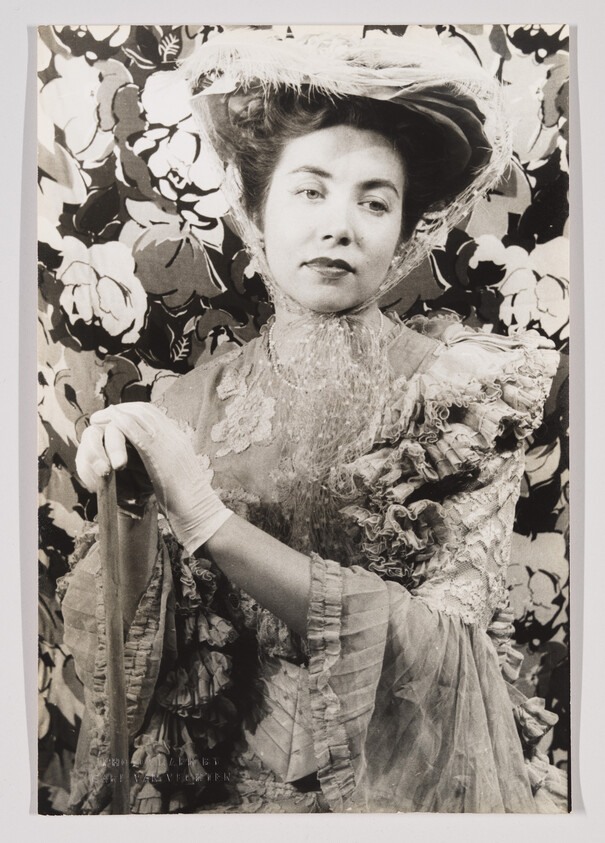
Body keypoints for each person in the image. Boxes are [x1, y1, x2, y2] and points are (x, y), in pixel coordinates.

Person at [59, 31, 567, 814]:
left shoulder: (464, 394)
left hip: (397, 791)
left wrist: (208, 520)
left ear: (403, 231)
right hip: (222, 798)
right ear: (256, 210)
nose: (340, 226)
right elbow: (128, 661)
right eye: (309, 191)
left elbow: (443, 654)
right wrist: (128, 508)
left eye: (374, 201)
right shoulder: (187, 403)